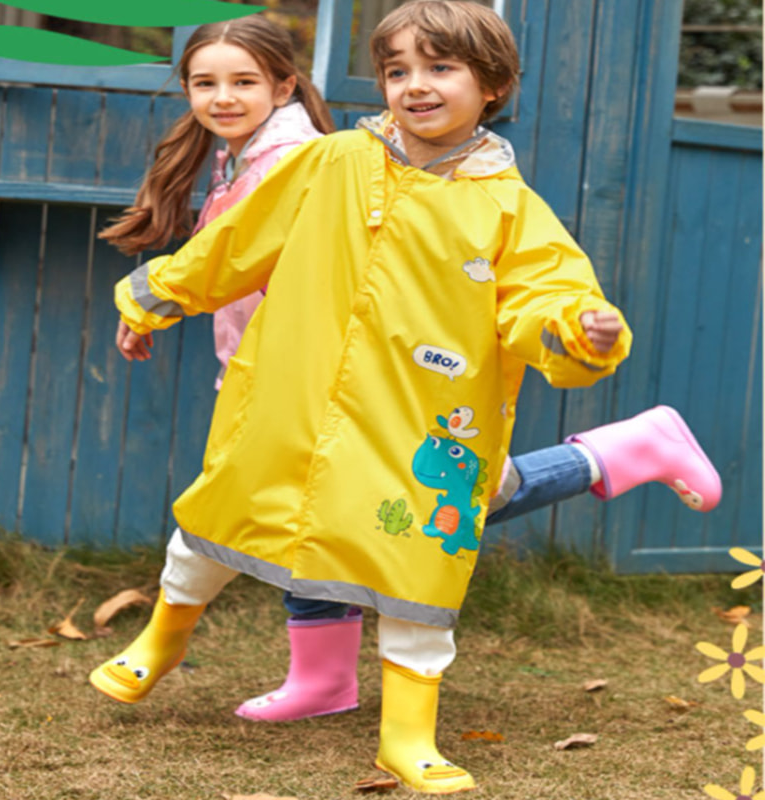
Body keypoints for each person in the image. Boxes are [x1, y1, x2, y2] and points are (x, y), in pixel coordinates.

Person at [91, 2, 721, 793]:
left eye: (439, 68)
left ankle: (407, 735)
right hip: (290, 391)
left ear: (492, 85)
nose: (414, 87)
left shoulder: (509, 210)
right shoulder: (334, 163)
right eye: (397, 71)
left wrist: (578, 331)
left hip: (419, 416)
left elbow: (540, 299)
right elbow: (237, 243)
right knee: (224, 510)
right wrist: (150, 301)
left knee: (416, 560)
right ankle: (161, 639)